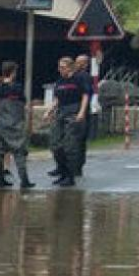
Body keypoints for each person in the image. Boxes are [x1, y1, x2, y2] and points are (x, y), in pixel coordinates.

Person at [0, 61, 35, 190]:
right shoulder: (17, 88)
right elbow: (24, 105)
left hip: (0, 124)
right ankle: (24, 181)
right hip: (15, 124)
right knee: (19, 153)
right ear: (13, 72)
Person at [47, 57, 88, 188]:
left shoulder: (78, 79)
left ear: (70, 68)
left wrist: (81, 112)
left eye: (63, 67)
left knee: (69, 146)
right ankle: (62, 171)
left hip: (73, 111)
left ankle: (70, 176)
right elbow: (57, 98)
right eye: (59, 67)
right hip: (61, 112)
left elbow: (85, 96)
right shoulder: (60, 82)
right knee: (55, 144)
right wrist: (49, 110)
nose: (60, 70)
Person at [72, 54, 97, 177]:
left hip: (81, 111)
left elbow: (86, 94)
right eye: (76, 62)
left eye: (79, 63)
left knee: (79, 140)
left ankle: (77, 167)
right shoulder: (73, 76)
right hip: (74, 110)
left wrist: (81, 111)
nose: (77, 64)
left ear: (85, 64)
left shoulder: (84, 77)